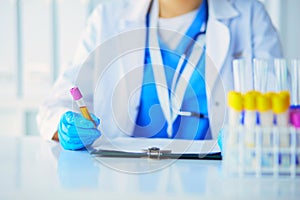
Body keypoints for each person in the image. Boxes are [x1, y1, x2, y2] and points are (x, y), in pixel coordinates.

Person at [37, 0, 282, 150]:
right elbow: (58, 103)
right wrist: (65, 126)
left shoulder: (250, 17)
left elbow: (277, 107)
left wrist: (248, 135)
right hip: (126, 178)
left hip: (217, 178)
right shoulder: (107, 19)